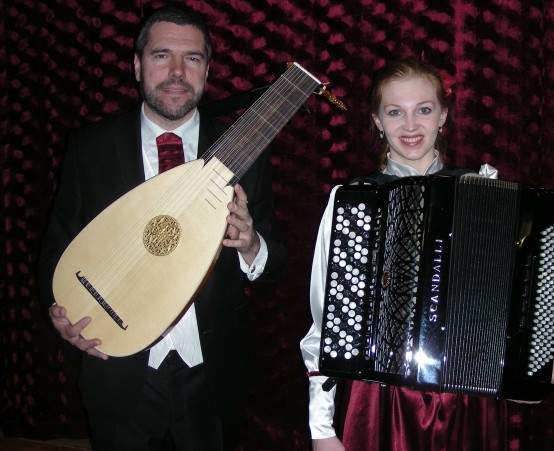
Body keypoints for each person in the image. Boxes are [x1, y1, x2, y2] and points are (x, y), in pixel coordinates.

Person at [37, 5, 287, 451]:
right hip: (117, 368)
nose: (176, 72)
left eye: (191, 58)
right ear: (137, 65)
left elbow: (276, 263)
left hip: (211, 375)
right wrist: (61, 311)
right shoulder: (91, 147)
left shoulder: (244, 150)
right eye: (161, 56)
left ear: (207, 70)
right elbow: (55, 252)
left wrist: (252, 245)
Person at [300, 59, 511, 451]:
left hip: (467, 397)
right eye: (395, 112)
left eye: (424, 110)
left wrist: (525, 360)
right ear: (377, 121)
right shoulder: (353, 201)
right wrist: (321, 427)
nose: (410, 126)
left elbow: (502, 297)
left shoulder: (481, 190)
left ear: (443, 116)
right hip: (378, 400)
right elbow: (325, 322)